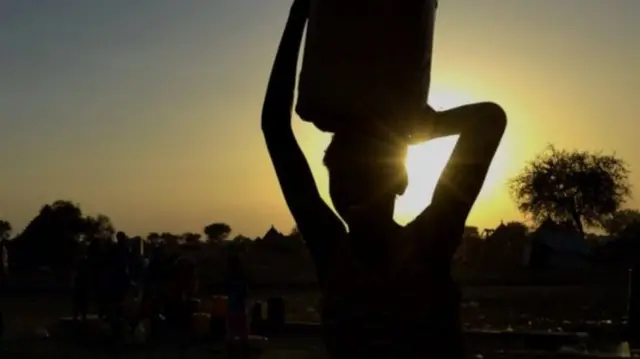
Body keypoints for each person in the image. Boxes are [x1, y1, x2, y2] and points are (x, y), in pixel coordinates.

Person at [262, 1, 507, 358]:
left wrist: (429, 127)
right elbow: (276, 130)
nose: (352, 190)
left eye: (367, 176)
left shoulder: (429, 242)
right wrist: (300, 13)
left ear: (401, 181)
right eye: (342, 177)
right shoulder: (333, 250)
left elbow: (491, 120)